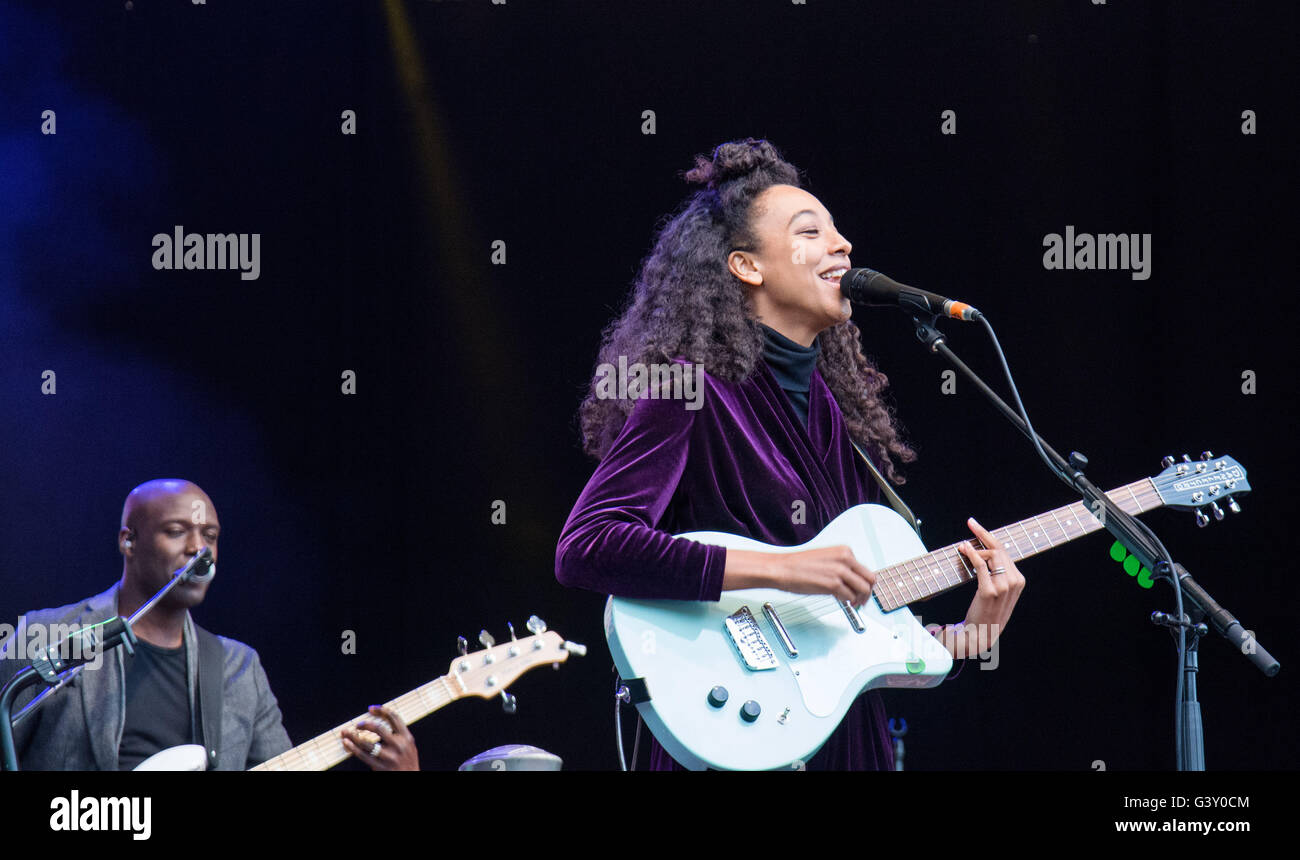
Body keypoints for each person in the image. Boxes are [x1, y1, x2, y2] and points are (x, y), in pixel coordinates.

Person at [555, 139, 1027, 770]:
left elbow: (858, 651)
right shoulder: (688, 388)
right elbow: (587, 545)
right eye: (812, 232)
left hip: (838, 745)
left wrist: (975, 635)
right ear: (747, 266)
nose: (844, 246)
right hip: (729, 734)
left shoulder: (832, 416)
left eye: (839, 232)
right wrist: (783, 569)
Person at [0, 479, 418, 771]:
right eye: (177, 531)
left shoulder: (240, 668)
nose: (199, 549)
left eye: (211, 536)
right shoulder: (51, 635)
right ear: (128, 541)